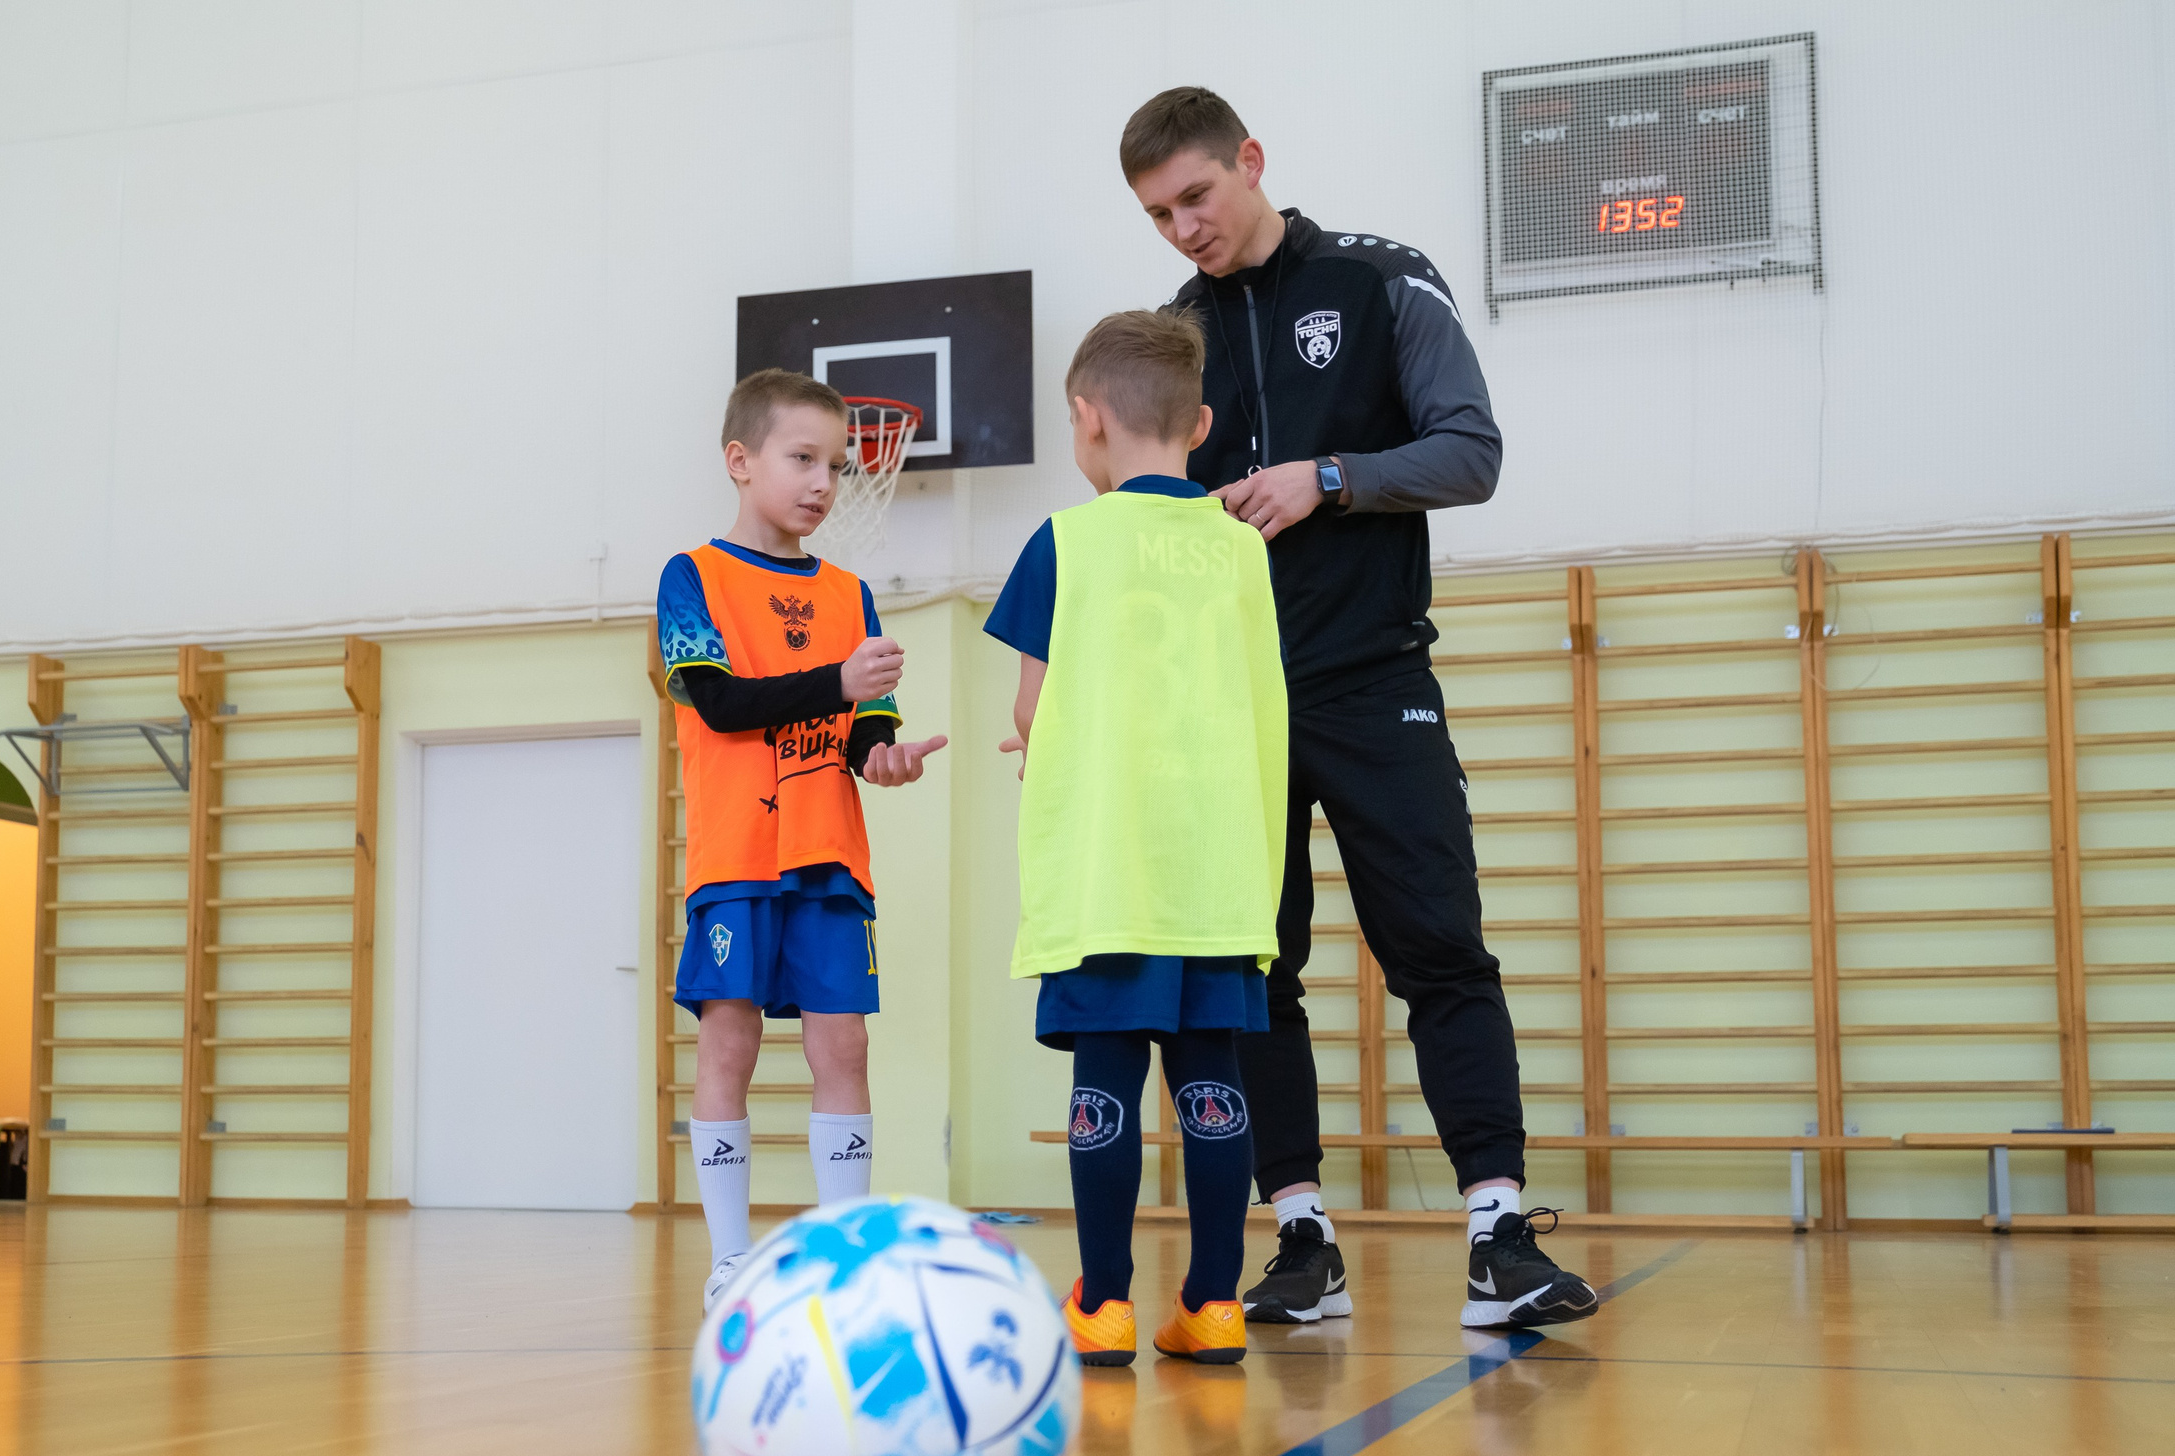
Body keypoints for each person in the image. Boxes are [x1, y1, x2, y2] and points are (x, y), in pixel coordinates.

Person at [1120, 86, 1598, 1330]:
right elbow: (1137, 522)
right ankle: (1301, 1238)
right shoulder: (1171, 340)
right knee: (1254, 971)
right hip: (1229, 707)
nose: (1182, 227)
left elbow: (1469, 451)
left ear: (1249, 161)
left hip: (1374, 679)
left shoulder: (1381, 280)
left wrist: (1323, 478)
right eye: (1158, 214)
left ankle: (1496, 1233)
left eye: (1195, 196)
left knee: (1438, 948)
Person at [985, 309, 1288, 1367]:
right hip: (1217, 872)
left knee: (1105, 1080)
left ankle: (1105, 1302)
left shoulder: (1064, 541)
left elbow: (1033, 707)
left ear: (1087, 419)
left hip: (1108, 872)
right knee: (1212, 1084)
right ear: (1199, 426)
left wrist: (1042, 736)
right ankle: (1213, 1303)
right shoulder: (1243, 550)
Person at [658, 369, 948, 1313]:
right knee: (728, 1046)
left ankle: (845, 1252)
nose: (824, 482)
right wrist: (837, 684)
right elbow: (720, 703)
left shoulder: (852, 596)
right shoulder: (692, 577)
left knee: (844, 1047)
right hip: (737, 858)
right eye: (803, 459)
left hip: (830, 859)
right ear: (740, 461)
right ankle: (731, 1259)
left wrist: (886, 758)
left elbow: (864, 733)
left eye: (837, 465)